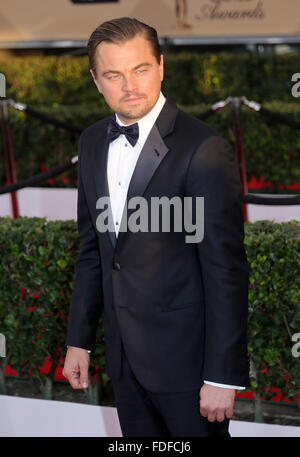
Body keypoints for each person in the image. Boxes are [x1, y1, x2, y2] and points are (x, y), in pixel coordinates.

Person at [63, 17, 250, 437]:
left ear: (161, 66)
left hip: (189, 369)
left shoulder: (202, 148)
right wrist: (80, 340)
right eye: (114, 74)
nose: (129, 85)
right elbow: (93, 250)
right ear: (96, 80)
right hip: (124, 363)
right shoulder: (92, 142)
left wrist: (222, 376)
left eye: (140, 69)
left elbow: (226, 271)